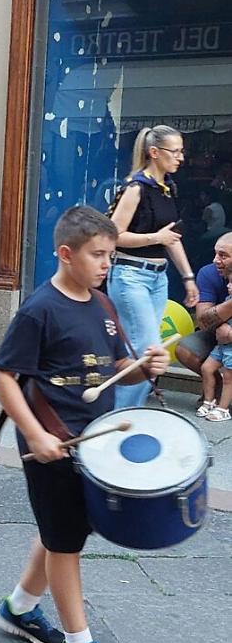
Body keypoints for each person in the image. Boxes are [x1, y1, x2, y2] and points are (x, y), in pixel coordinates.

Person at [0, 206, 169, 643]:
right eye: (98, 255)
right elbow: (2, 376)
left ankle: (20, 608)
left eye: (110, 255)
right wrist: (35, 433)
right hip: (50, 441)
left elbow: (105, 368)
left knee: (63, 530)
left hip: (91, 442)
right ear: (66, 254)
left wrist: (143, 367)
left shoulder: (104, 305)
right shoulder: (39, 310)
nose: (107, 264)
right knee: (66, 541)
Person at [108, 125, 198, 408]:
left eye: (182, 151)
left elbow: (172, 238)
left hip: (157, 279)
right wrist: (154, 237)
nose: (181, 157)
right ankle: (121, 416)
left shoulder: (167, 188)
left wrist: (188, 277)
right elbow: (114, 234)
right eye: (175, 151)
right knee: (146, 351)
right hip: (130, 275)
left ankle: (120, 413)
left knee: (139, 347)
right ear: (154, 152)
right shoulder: (136, 188)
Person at [176, 233, 232, 401]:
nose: (216, 260)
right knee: (185, 349)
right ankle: (218, 388)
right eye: (215, 253)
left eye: (223, 256)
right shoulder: (209, 273)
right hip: (219, 335)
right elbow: (203, 320)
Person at [197, 271, 232, 422]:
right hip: (222, 345)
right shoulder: (228, 300)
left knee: (229, 377)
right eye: (229, 282)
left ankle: (224, 409)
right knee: (207, 368)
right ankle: (209, 401)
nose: (229, 286)